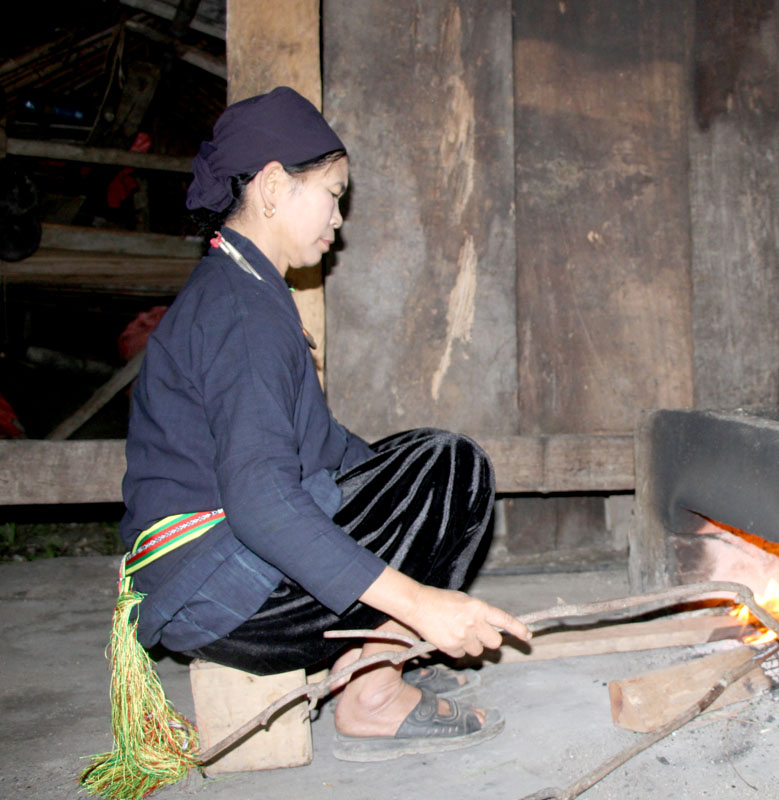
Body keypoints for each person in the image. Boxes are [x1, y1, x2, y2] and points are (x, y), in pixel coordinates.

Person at [119, 86, 531, 762]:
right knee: (451, 465)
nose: (339, 217)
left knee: (431, 469)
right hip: (227, 597)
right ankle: (372, 695)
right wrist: (419, 601)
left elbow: (333, 450)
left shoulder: (241, 287)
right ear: (275, 186)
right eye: (333, 193)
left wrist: (416, 515)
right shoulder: (244, 313)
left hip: (207, 589)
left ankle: (372, 662)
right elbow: (258, 500)